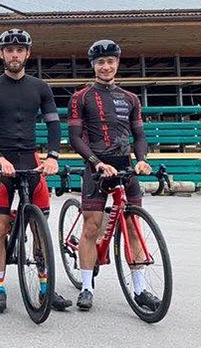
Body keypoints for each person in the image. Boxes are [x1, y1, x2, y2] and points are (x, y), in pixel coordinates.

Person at [0, 29, 72, 313]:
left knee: (39, 227)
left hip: (30, 158)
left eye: (20, 50)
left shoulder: (40, 87)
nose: (14, 54)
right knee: (0, 226)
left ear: (27, 54)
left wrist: (53, 156)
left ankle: (45, 287)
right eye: (9, 50)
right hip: (2, 160)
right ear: (1, 54)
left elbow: (54, 124)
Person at [67, 39, 157, 311]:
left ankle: (140, 289)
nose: (106, 67)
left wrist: (141, 161)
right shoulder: (80, 97)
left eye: (110, 61)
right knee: (92, 226)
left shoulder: (131, 99)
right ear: (93, 66)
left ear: (117, 63)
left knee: (132, 226)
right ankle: (86, 287)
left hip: (125, 165)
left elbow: (139, 135)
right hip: (96, 166)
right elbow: (74, 138)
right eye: (100, 62)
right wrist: (95, 162)